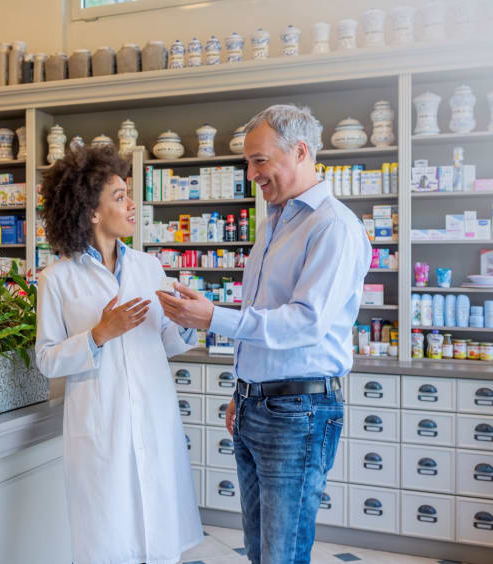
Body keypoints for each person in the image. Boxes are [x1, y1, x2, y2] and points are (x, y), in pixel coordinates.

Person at [156, 105, 371, 564]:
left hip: (298, 411)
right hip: (259, 404)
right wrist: (244, 388)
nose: (251, 173)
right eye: (248, 162)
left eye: (259, 160)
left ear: (300, 151)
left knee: (282, 553)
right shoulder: (276, 222)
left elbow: (306, 322)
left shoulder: (332, 225)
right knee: (259, 550)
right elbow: (263, 317)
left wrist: (214, 317)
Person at [35, 146, 203, 564]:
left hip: (152, 417)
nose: (132, 205)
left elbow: (165, 341)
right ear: (91, 211)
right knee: (109, 543)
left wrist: (188, 322)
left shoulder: (149, 268)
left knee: (158, 540)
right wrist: (98, 335)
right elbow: (46, 359)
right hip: (101, 426)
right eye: (120, 196)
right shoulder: (56, 279)